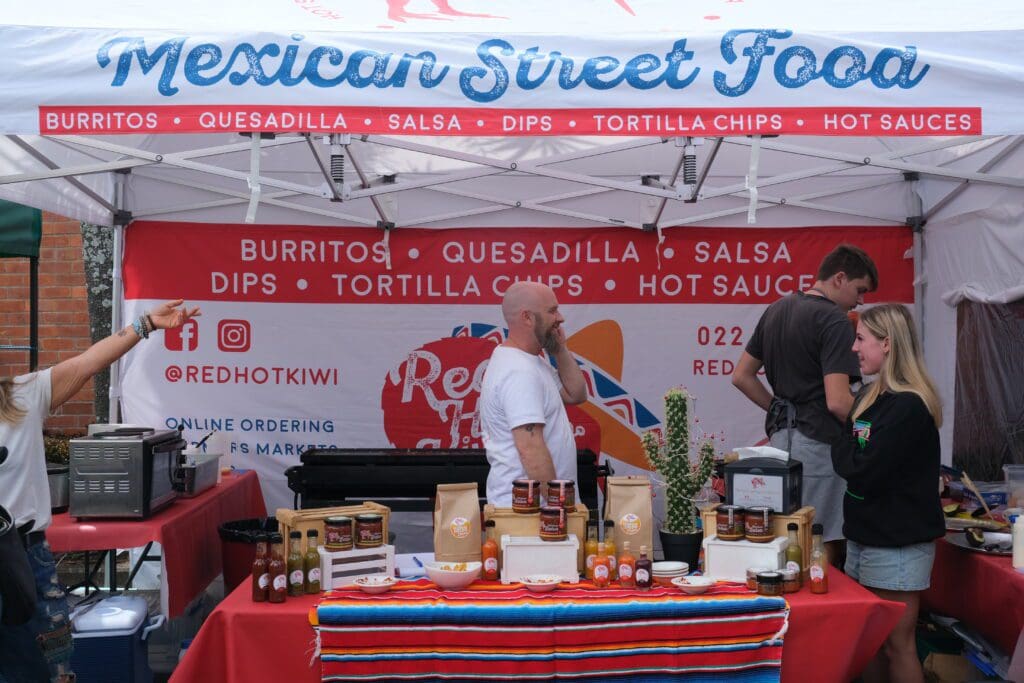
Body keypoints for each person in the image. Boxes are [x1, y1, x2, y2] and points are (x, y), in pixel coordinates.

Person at [0, 299, 200, 683]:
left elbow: (88, 362)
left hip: (25, 561)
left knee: (48, 671)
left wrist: (146, 324)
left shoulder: (22, 397)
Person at [731, 244, 878, 564]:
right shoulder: (835, 320)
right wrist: (876, 428)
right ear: (840, 278)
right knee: (820, 538)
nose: (860, 301)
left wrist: (778, 409)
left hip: (781, 442)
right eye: (859, 289)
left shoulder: (777, 309)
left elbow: (741, 376)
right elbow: (839, 402)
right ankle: (820, 608)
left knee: (785, 534)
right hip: (820, 446)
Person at [831, 303, 944, 683]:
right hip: (865, 537)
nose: (854, 348)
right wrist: (849, 448)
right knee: (871, 642)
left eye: (861, 338)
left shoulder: (908, 406)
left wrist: (845, 447)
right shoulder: (871, 398)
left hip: (896, 545)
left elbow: (861, 469)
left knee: (897, 645)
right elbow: (854, 454)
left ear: (888, 344)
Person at [479, 282, 587, 506]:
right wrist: (560, 509)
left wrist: (559, 349)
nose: (561, 318)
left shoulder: (530, 360)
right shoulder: (520, 371)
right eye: (552, 311)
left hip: (535, 510)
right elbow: (530, 449)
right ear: (527, 318)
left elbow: (575, 394)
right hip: (531, 513)